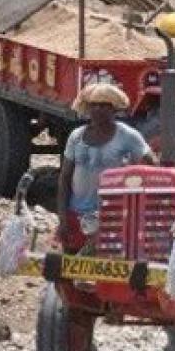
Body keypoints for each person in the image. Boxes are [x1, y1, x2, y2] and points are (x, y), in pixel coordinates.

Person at [57, 84, 155, 253]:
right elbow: (65, 178)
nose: (98, 110)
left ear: (114, 109)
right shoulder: (76, 136)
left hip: (112, 218)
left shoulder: (128, 136)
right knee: (69, 268)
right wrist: (63, 218)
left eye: (103, 105)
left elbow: (152, 165)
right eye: (94, 105)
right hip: (77, 214)